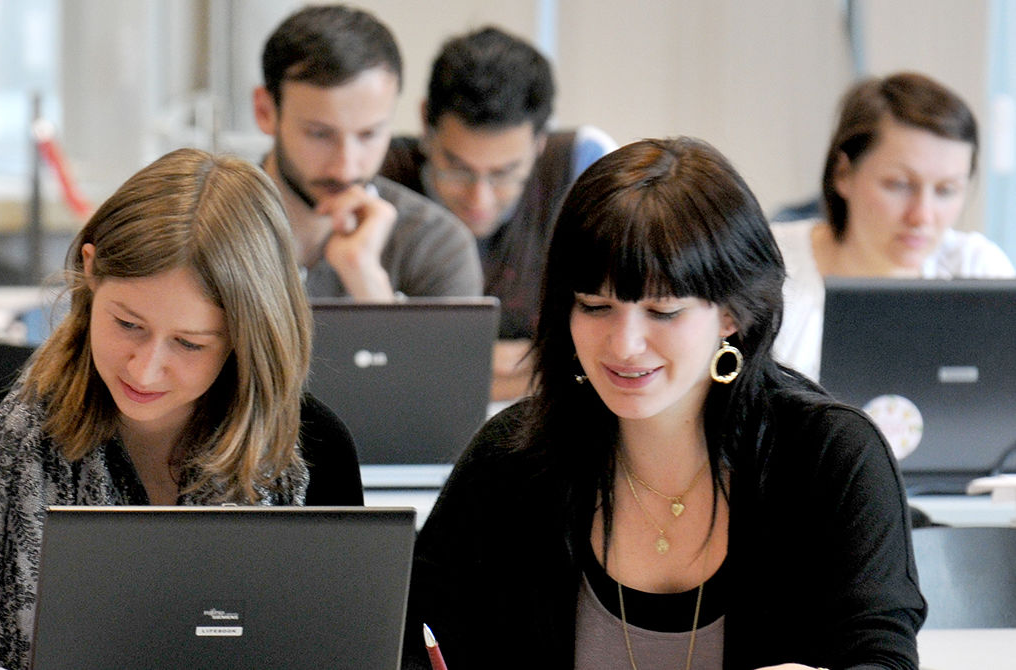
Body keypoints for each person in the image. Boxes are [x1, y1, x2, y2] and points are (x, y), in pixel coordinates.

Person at [404, 138, 922, 669]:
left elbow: (883, 656)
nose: (624, 344)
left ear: (732, 313)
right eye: (595, 305)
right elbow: (408, 635)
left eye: (664, 311)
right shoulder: (514, 457)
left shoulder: (830, 456)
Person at [0, 148, 364, 670]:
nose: (144, 369)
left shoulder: (316, 452)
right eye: (127, 325)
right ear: (90, 271)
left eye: (190, 343)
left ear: (245, 339)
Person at [377, 26, 616, 400]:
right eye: (457, 168)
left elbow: (615, 346)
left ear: (540, 142)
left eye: (505, 173)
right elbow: (369, 368)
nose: (480, 198)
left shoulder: (580, 165)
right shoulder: (374, 174)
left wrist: (444, 366)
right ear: (426, 123)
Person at [770, 72, 1015, 379]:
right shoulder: (767, 267)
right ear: (844, 173)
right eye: (899, 185)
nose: (922, 216)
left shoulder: (977, 272)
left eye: (946, 190)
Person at [251, 4, 482, 302]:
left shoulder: (436, 246)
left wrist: (366, 279)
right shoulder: (205, 229)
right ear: (265, 111)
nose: (346, 168)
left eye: (368, 134)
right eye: (319, 134)